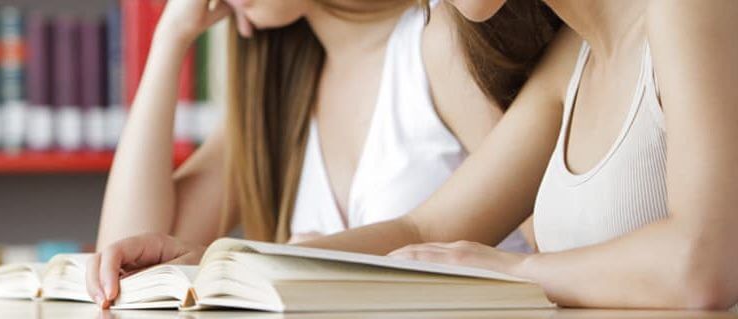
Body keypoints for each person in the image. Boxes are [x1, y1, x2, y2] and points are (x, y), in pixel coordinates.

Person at [92, 0, 738, 310]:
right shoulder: (570, 62)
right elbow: (425, 228)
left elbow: (704, 265)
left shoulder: (686, 9)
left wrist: (507, 272)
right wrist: (222, 262)